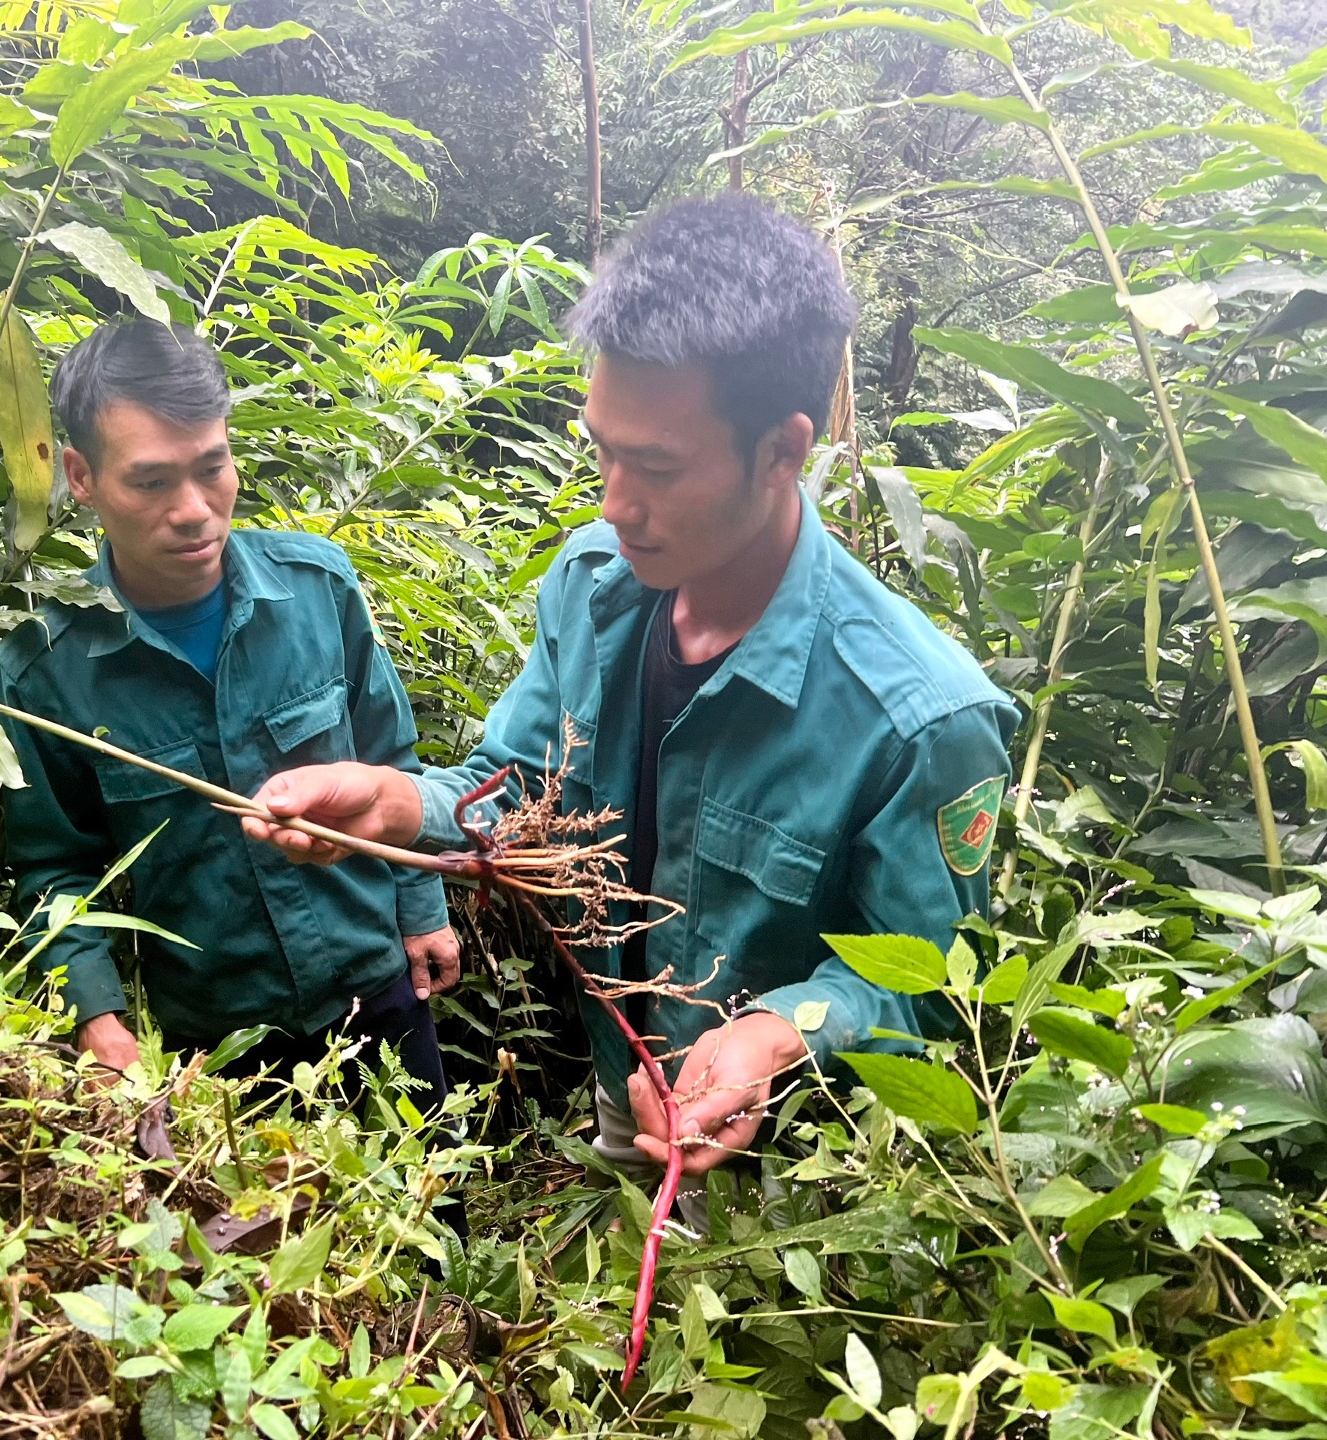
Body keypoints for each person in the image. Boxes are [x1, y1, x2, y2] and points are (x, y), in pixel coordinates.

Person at [243, 197, 1018, 1185]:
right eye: (602, 449)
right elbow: (521, 788)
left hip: (806, 1160)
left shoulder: (919, 721)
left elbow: (935, 990)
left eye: (654, 467)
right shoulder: (597, 585)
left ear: (784, 450)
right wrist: (398, 805)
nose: (615, 503)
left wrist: (778, 1036)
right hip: (627, 1078)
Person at [0, 317, 462, 1114]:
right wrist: (94, 1014)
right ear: (80, 475)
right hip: (219, 1043)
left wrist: (423, 909)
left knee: (424, 1219)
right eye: (150, 482)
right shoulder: (43, 673)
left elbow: (391, 759)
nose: (195, 510)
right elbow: (54, 867)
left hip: (378, 991)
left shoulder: (319, 590)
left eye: (213, 468)